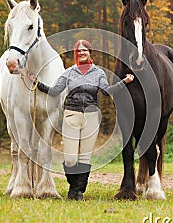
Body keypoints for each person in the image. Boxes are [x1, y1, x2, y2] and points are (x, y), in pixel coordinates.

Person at [29, 39, 134, 200]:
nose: (82, 53)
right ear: (76, 54)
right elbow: (55, 91)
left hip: (91, 118)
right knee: (70, 159)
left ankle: (77, 192)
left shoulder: (98, 73)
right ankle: (74, 186)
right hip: (71, 115)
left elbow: (107, 92)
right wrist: (37, 83)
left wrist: (124, 82)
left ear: (90, 53)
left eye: (85, 50)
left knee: (85, 157)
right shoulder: (69, 72)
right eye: (79, 51)